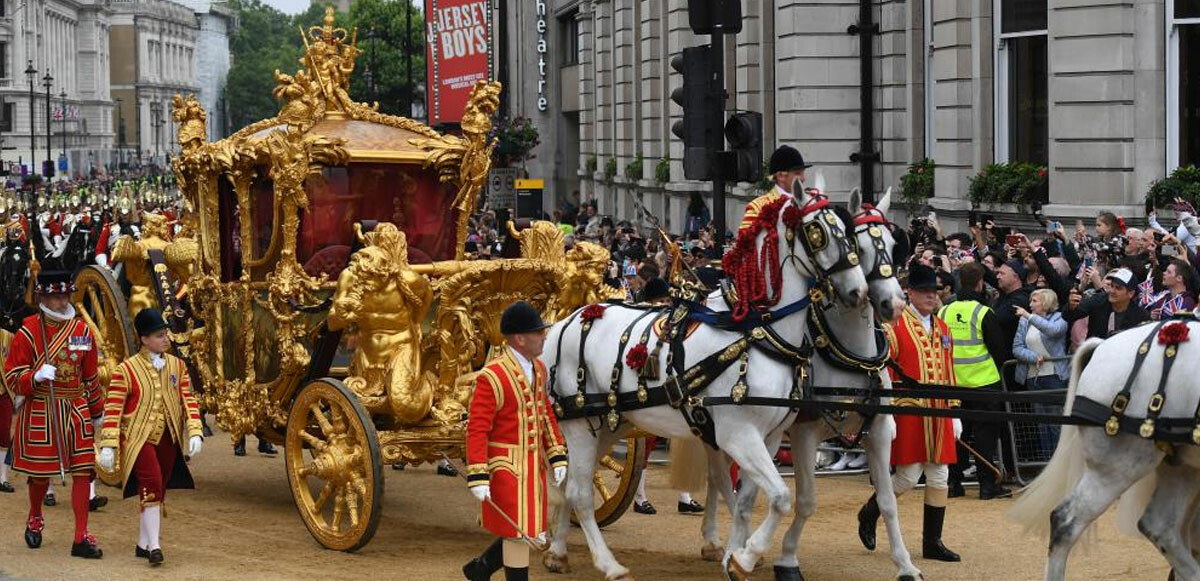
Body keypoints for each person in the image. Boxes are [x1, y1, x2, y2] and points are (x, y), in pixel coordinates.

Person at [857, 264, 961, 562]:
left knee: (939, 474)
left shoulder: (943, 329)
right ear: (910, 293)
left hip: (938, 414)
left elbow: (949, 370)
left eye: (935, 291)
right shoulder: (894, 327)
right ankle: (869, 512)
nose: (931, 296)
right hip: (908, 411)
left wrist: (954, 413)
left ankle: (933, 542)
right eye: (925, 292)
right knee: (907, 476)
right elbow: (884, 372)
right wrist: (886, 413)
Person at [462, 302, 568, 581]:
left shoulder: (539, 369)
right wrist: (478, 474)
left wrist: (556, 452)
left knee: (528, 531)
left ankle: (480, 568)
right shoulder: (492, 376)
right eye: (538, 332)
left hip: (532, 467)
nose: (544, 336)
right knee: (519, 535)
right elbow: (477, 429)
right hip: (506, 468)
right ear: (520, 338)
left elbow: (544, 413)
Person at [3, 270, 103, 558]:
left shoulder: (82, 331)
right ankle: (35, 516)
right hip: (42, 409)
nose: (62, 301)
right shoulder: (28, 331)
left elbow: (90, 376)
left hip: (76, 409)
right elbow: (11, 376)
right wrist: (34, 376)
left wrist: (97, 412)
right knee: (39, 475)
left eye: (65, 295)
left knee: (84, 472)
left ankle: (80, 536)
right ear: (42, 297)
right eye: (56, 296)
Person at [97, 308, 203, 567]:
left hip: (169, 436)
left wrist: (196, 430)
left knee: (158, 488)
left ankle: (143, 544)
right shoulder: (126, 370)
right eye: (159, 335)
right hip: (137, 438)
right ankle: (155, 546)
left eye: (165, 334)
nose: (165, 339)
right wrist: (109, 444)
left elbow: (187, 398)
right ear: (144, 339)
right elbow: (113, 408)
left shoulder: (177, 365)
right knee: (152, 483)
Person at [939, 262, 1010, 500]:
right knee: (985, 437)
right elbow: (998, 350)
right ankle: (987, 485)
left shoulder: (944, 312)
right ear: (980, 283)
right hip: (983, 383)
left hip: (953, 384)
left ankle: (954, 483)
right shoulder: (983, 312)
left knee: (958, 436)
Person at [1012, 289, 1070, 455]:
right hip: (1033, 378)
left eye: (1035, 301)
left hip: (1054, 377)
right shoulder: (1024, 322)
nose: (1030, 305)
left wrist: (1029, 316)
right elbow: (1017, 348)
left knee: (1056, 423)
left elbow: (1053, 331)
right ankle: (1045, 463)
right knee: (1041, 425)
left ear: (1046, 302)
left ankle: (1060, 461)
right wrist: (1033, 356)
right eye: (1031, 301)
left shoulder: (1059, 317)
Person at [738, 145, 811, 232]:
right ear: (780, 176)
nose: (803, 178)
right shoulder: (758, 208)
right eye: (797, 173)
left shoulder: (809, 203)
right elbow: (745, 243)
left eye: (803, 173)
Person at [1065, 267, 1150, 339]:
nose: (1112, 291)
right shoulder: (1098, 300)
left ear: (1130, 293)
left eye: (1118, 288)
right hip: (1095, 353)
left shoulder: (1140, 316)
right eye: (1111, 286)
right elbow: (1069, 316)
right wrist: (1072, 307)